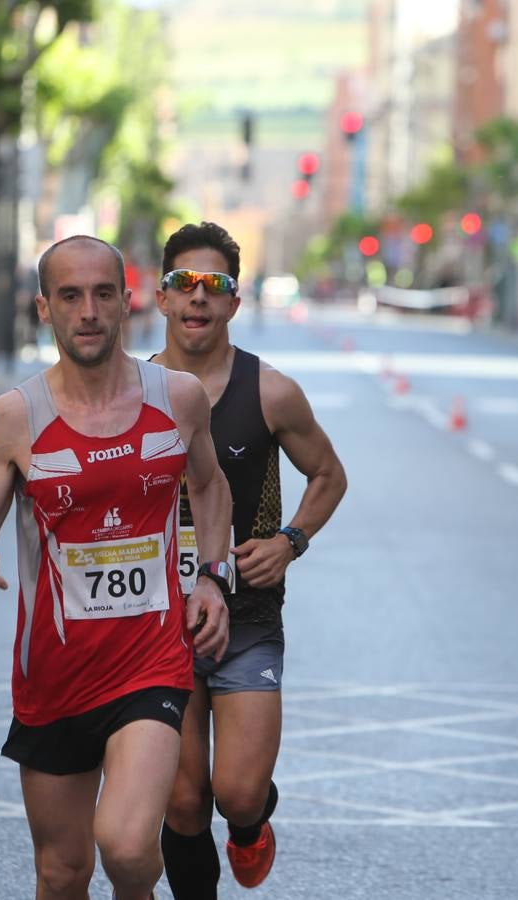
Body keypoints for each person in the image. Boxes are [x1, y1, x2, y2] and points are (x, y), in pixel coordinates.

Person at [0, 235, 234, 900]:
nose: (89, 311)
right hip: (51, 677)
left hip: (150, 663)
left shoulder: (180, 398)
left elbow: (212, 486)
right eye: (70, 296)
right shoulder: (17, 417)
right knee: (61, 871)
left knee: (130, 849)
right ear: (43, 308)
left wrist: (215, 578)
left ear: (127, 303)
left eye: (103, 293)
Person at [151, 222, 347, 897]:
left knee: (233, 793)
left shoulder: (271, 392)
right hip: (159, 625)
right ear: (161, 298)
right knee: (180, 802)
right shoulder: (130, 393)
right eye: (185, 284)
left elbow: (329, 475)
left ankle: (250, 819)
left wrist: (290, 541)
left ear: (235, 302)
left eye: (216, 286)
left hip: (247, 617)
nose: (198, 298)